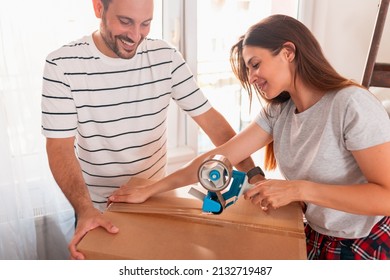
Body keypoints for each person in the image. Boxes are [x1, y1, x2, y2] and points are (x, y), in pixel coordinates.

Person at [109, 14, 390, 260]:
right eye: (249, 69)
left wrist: (299, 189)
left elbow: (386, 197)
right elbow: (222, 156)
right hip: (316, 235)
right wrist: (153, 188)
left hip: (365, 240)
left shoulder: (351, 105)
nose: (252, 76)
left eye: (255, 64)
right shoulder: (279, 111)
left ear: (288, 52)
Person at [41, 0, 258, 260]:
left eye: (146, 24)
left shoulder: (165, 57)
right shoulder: (62, 65)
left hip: (154, 199)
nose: (136, 35)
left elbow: (214, 125)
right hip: (96, 207)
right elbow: (59, 148)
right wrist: (85, 209)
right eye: (125, 22)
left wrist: (255, 178)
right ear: (99, 8)